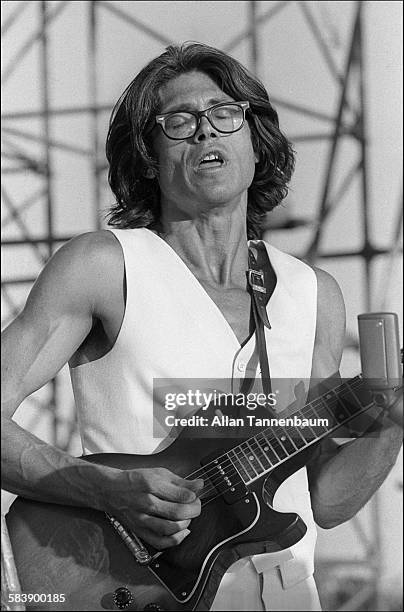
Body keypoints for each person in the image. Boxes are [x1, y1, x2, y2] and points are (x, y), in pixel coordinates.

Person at [1, 42, 402, 611]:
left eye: (225, 114)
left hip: (289, 596)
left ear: (256, 146)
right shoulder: (105, 265)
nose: (205, 132)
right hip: (135, 591)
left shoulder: (314, 294)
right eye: (179, 121)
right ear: (148, 156)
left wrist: (389, 429)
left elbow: (329, 500)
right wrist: (103, 488)